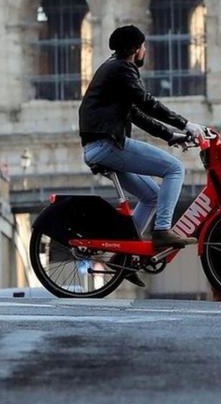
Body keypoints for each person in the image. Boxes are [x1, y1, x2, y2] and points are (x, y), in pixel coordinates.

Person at [78, 25, 207, 256]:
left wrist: (171, 136)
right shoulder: (123, 69)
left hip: (98, 146)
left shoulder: (112, 69)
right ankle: (162, 230)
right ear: (136, 49)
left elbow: (136, 115)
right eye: (143, 46)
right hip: (107, 145)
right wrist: (186, 124)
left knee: (152, 196)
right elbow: (147, 103)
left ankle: (125, 255)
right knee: (175, 168)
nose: (145, 50)